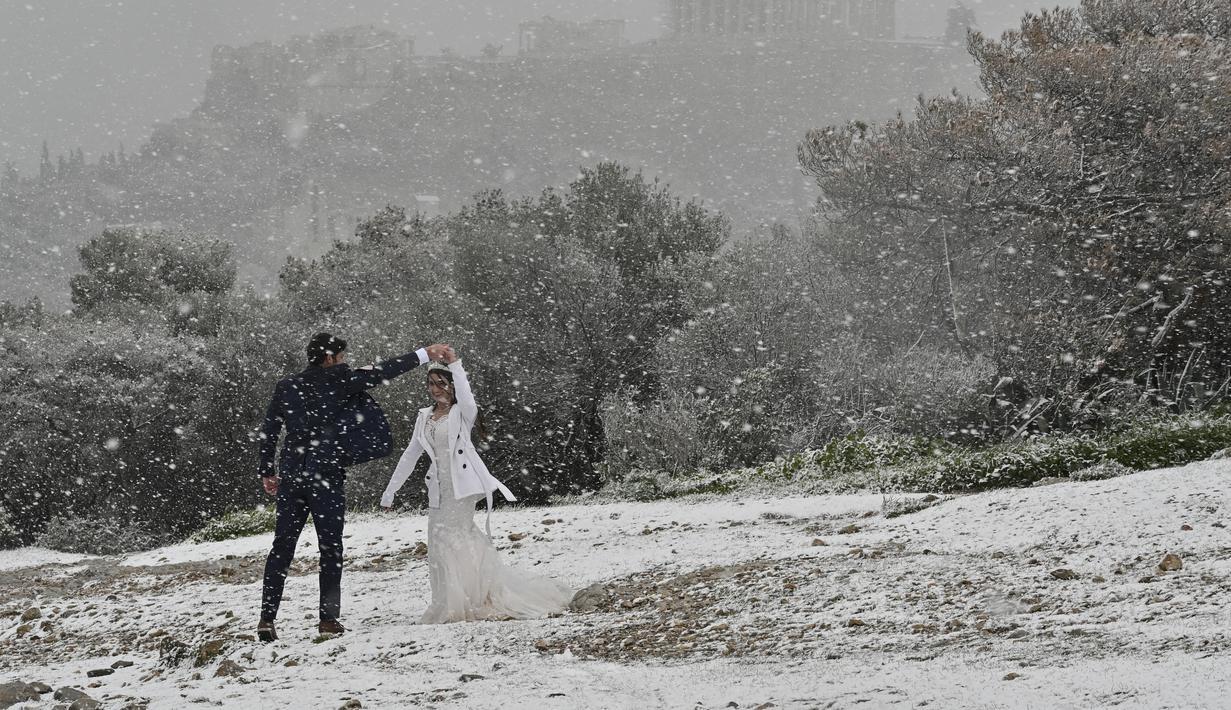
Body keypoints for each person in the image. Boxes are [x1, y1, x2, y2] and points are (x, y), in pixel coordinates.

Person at [257, 332, 451, 641]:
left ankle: (267, 619)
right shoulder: (341, 379)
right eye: (342, 357)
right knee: (330, 548)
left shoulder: (287, 386)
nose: (345, 361)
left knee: (281, 547)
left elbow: (269, 429)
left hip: (292, 476)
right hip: (326, 476)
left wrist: (268, 470)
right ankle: (328, 619)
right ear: (330, 358)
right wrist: (425, 353)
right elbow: (385, 370)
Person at [381, 350, 572, 623]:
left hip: (462, 488)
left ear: (451, 385)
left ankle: (466, 601)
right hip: (438, 488)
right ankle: (460, 598)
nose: (434, 390)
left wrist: (455, 363)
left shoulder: (462, 412)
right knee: (440, 540)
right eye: (431, 384)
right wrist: (390, 492)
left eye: (440, 383)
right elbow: (410, 454)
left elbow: (467, 396)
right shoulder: (424, 416)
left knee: (451, 537)